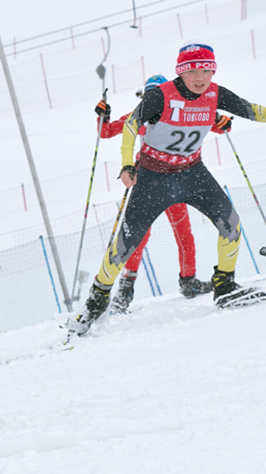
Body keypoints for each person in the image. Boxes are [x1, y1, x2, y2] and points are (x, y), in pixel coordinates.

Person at [70, 42, 266, 335]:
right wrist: (127, 166)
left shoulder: (214, 94)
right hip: (153, 178)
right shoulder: (159, 97)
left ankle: (224, 286)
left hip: (192, 173)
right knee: (126, 244)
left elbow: (246, 108)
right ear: (181, 72)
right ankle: (98, 298)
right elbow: (128, 127)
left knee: (231, 225)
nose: (201, 78)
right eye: (194, 71)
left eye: (207, 70)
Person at [94, 74, 232, 313]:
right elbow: (106, 132)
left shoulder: (182, 112)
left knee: (184, 233)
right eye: (150, 96)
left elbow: (213, 122)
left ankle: (188, 282)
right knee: (139, 236)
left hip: (177, 179)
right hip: (148, 181)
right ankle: (126, 288)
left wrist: (223, 123)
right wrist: (103, 116)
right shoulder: (141, 116)